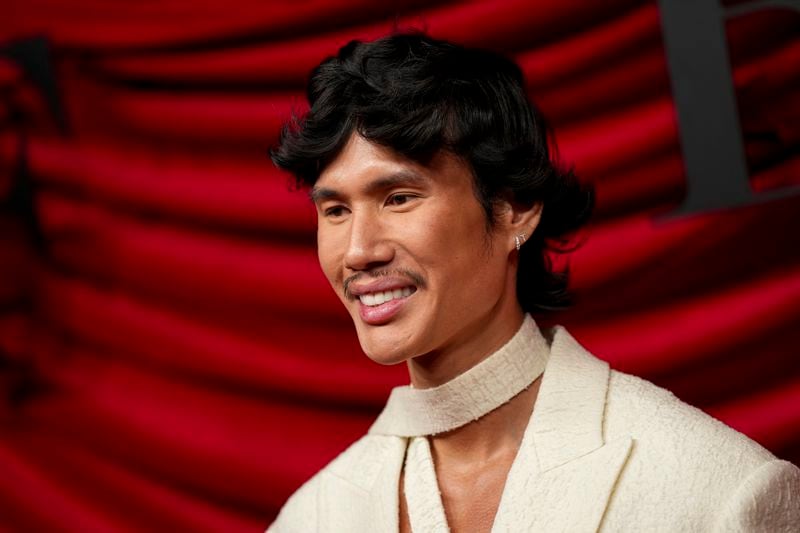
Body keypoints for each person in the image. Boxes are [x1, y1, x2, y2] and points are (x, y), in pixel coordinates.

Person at [267, 33, 799, 532]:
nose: (359, 250)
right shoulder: (315, 516)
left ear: (514, 209)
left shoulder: (722, 490)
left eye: (399, 198)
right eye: (335, 210)